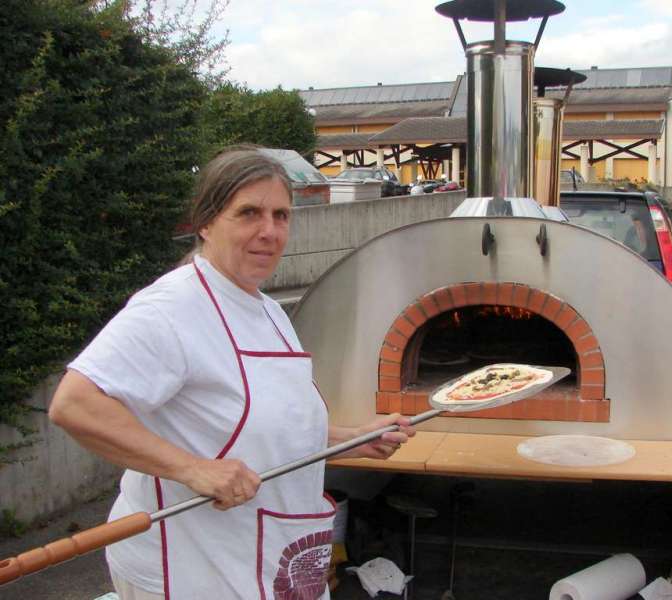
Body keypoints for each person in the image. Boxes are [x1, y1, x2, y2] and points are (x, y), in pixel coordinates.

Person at [49, 145, 416, 600]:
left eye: (281, 216)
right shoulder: (170, 307)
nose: (270, 231)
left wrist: (355, 439)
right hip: (190, 563)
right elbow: (75, 404)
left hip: (263, 550)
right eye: (248, 213)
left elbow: (269, 430)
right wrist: (193, 469)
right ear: (204, 223)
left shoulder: (267, 310)